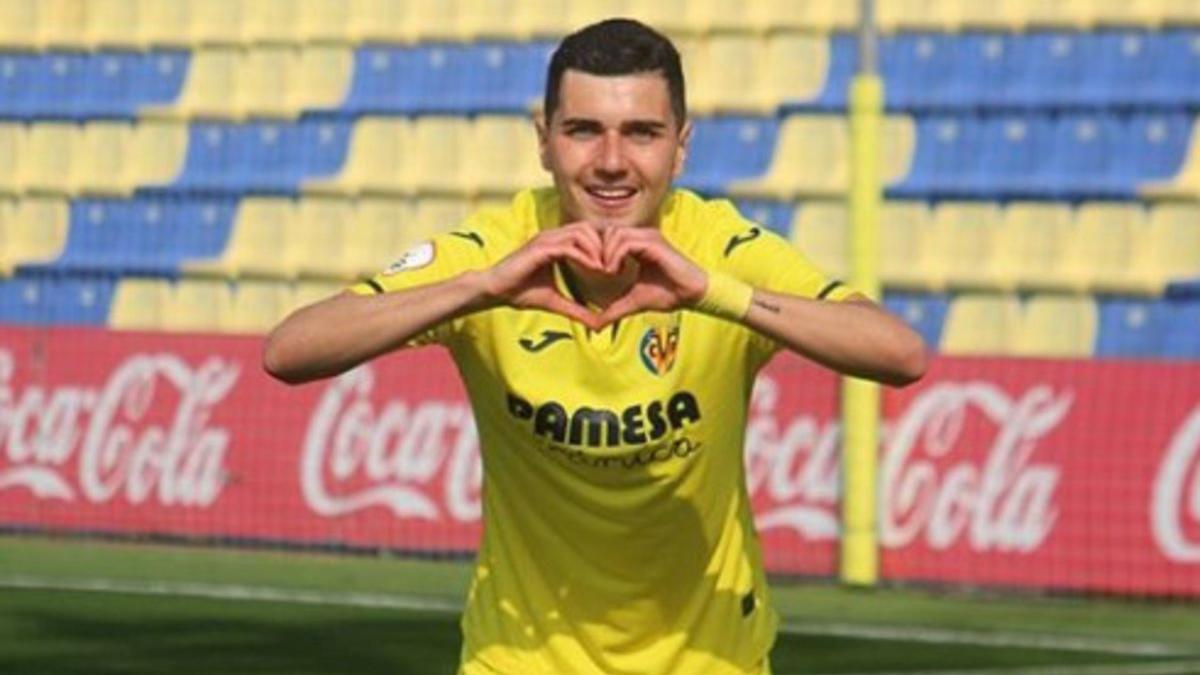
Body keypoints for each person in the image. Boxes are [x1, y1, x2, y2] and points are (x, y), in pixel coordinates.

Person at [264, 17, 926, 675]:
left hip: (711, 661)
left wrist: (714, 295)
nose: (612, 162)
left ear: (681, 146)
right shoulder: (498, 247)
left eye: (642, 132)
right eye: (584, 131)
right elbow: (291, 349)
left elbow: (899, 353)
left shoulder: (719, 248)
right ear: (544, 141)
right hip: (518, 660)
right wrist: (480, 288)